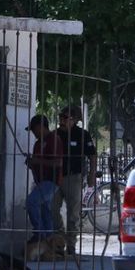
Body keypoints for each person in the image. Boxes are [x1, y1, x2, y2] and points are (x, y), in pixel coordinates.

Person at [52, 104, 97, 254]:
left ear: (75, 119)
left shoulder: (82, 134)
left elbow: (92, 155)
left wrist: (91, 176)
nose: (61, 120)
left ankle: (71, 244)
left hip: (73, 177)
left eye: (65, 118)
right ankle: (59, 240)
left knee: (73, 213)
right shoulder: (55, 134)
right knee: (53, 209)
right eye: (60, 117)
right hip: (55, 177)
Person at [24, 114, 63, 243]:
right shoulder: (37, 144)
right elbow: (38, 163)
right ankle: (49, 239)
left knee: (31, 202)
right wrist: (31, 164)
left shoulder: (54, 139)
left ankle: (40, 234)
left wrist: (37, 161)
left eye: (34, 129)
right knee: (44, 209)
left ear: (41, 127)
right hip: (41, 181)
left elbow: (58, 163)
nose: (33, 133)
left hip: (51, 181)